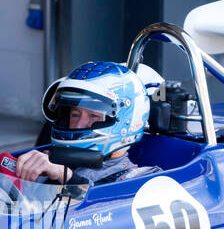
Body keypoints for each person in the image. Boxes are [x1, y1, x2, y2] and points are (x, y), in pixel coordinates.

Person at [16, 61, 154, 185]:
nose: (78, 125)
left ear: (125, 123)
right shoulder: (48, 162)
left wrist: (67, 177)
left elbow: (105, 206)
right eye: (75, 114)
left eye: (93, 115)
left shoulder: (142, 180)